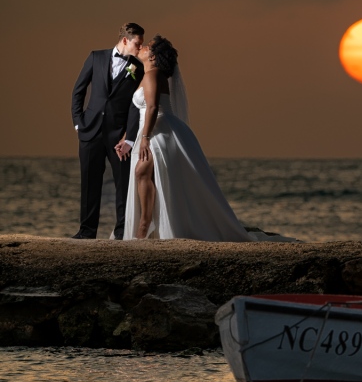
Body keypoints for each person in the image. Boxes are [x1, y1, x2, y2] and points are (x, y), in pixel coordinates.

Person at [122, 35, 253, 241]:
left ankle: (144, 227)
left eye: (149, 47)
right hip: (155, 129)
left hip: (159, 131)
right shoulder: (150, 75)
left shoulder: (153, 75)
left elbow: (153, 107)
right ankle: (147, 226)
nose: (144, 47)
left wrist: (146, 136)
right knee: (145, 174)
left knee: (141, 172)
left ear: (154, 57)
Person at [71, 23, 145, 239]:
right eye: (137, 44)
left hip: (118, 136)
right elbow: (78, 91)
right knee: (89, 183)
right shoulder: (96, 57)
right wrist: (78, 122)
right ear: (125, 40)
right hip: (90, 131)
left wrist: (129, 137)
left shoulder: (138, 69)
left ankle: (122, 231)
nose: (140, 48)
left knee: (123, 185)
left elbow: (134, 106)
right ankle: (86, 231)